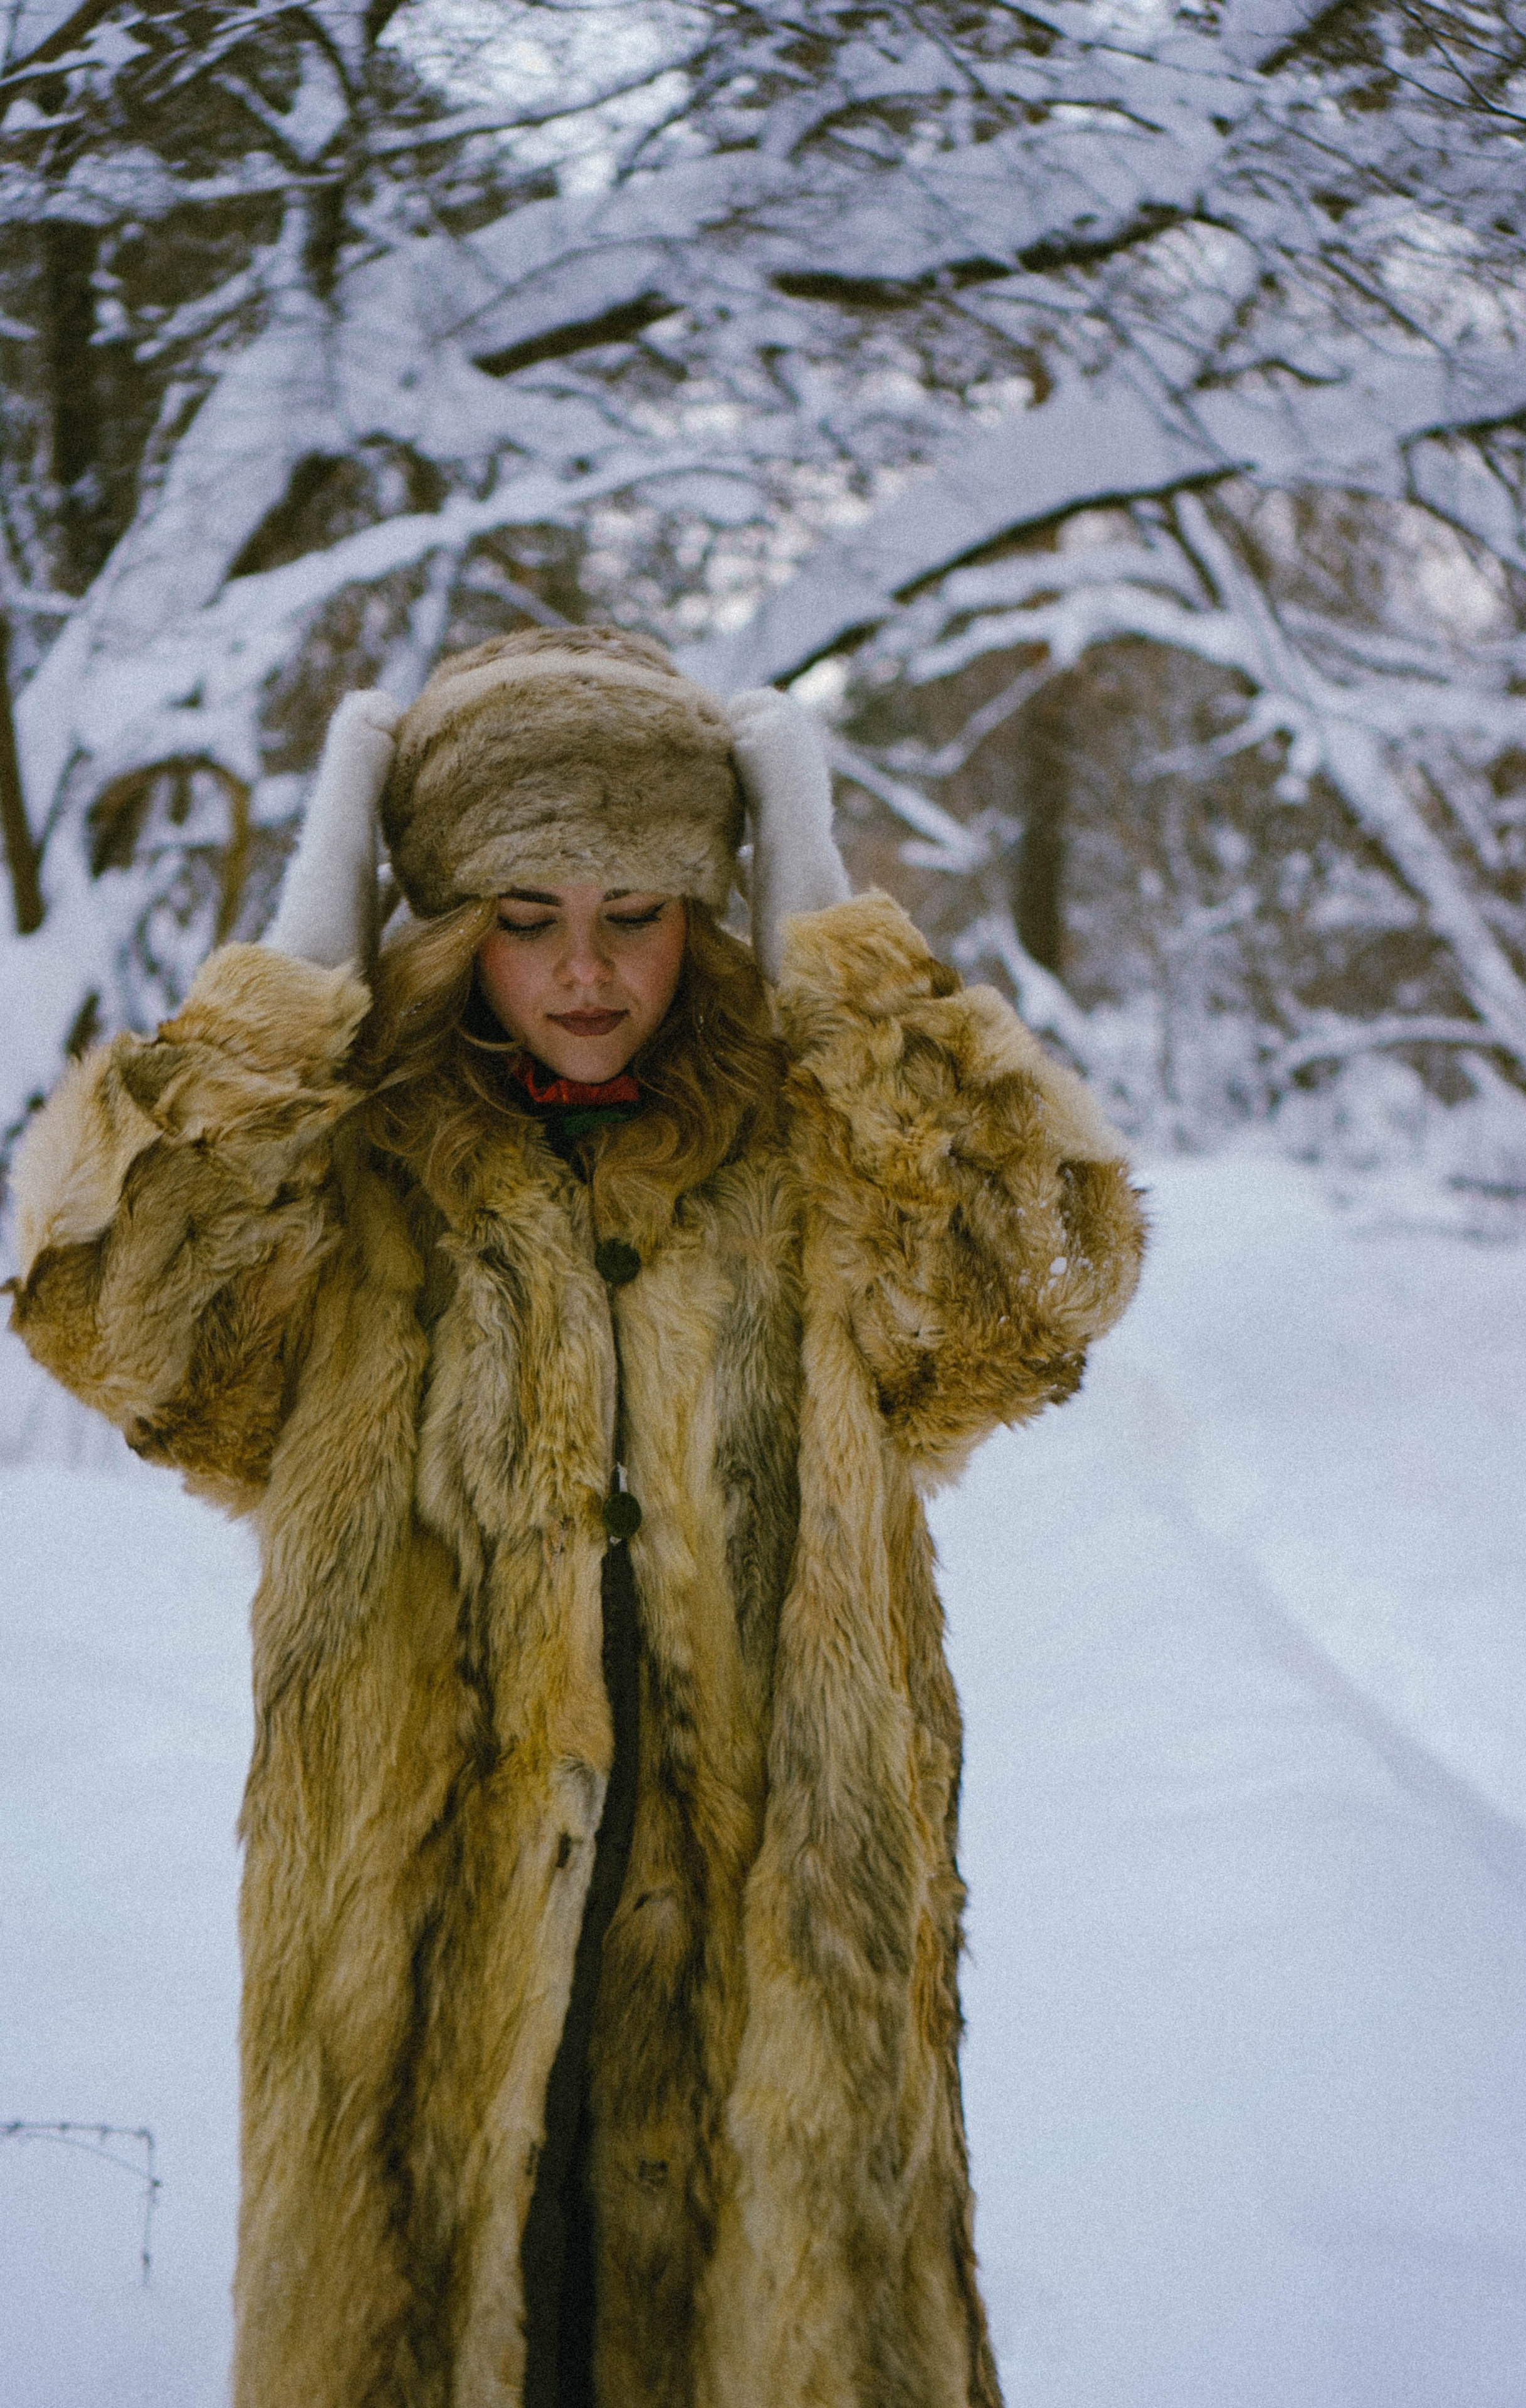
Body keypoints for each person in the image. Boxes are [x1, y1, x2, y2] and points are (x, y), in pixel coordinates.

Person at [8, 626, 1145, 2408]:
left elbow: (1028, 1300)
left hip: (777, 1976)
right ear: (450, 923)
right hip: (421, 2008)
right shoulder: (352, 1164)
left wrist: (832, 931)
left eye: (641, 906)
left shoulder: (814, 1154)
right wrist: (295, 971)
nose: (589, 970)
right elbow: (127, 1330)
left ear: (711, 907)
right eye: (524, 914)